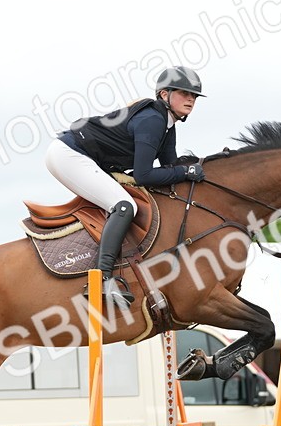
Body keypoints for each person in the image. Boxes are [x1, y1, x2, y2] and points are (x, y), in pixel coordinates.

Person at [46, 65, 206, 309]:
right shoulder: (153, 120)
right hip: (68, 155)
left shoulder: (167, 124)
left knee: (125, 201)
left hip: (81, 156)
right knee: (124, 205)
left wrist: (196, 167)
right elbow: (143, 175)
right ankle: (102, 280)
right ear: (165, 95)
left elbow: (169, 168)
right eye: (185, 93)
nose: (191, 99)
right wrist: (186, 171)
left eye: (194, 96)